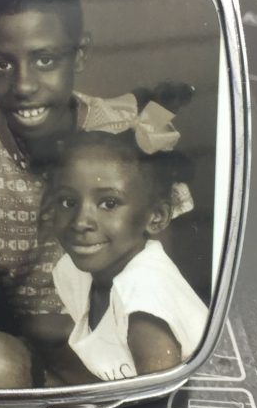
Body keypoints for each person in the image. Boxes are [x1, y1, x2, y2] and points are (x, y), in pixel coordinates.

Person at [0, 0, 188, 348]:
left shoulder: (127, 135)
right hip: (4, 348)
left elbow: (159, 272)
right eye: (2, 64)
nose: (24, 85)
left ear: (80, 53)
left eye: (45, 60)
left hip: (118, 339)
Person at [50, 126, 208, 382]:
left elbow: (160, 397)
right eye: (68, 202)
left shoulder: (143, 296)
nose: (80, 222)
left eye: (109, 203)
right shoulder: (71, 273)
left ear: (156, 217)